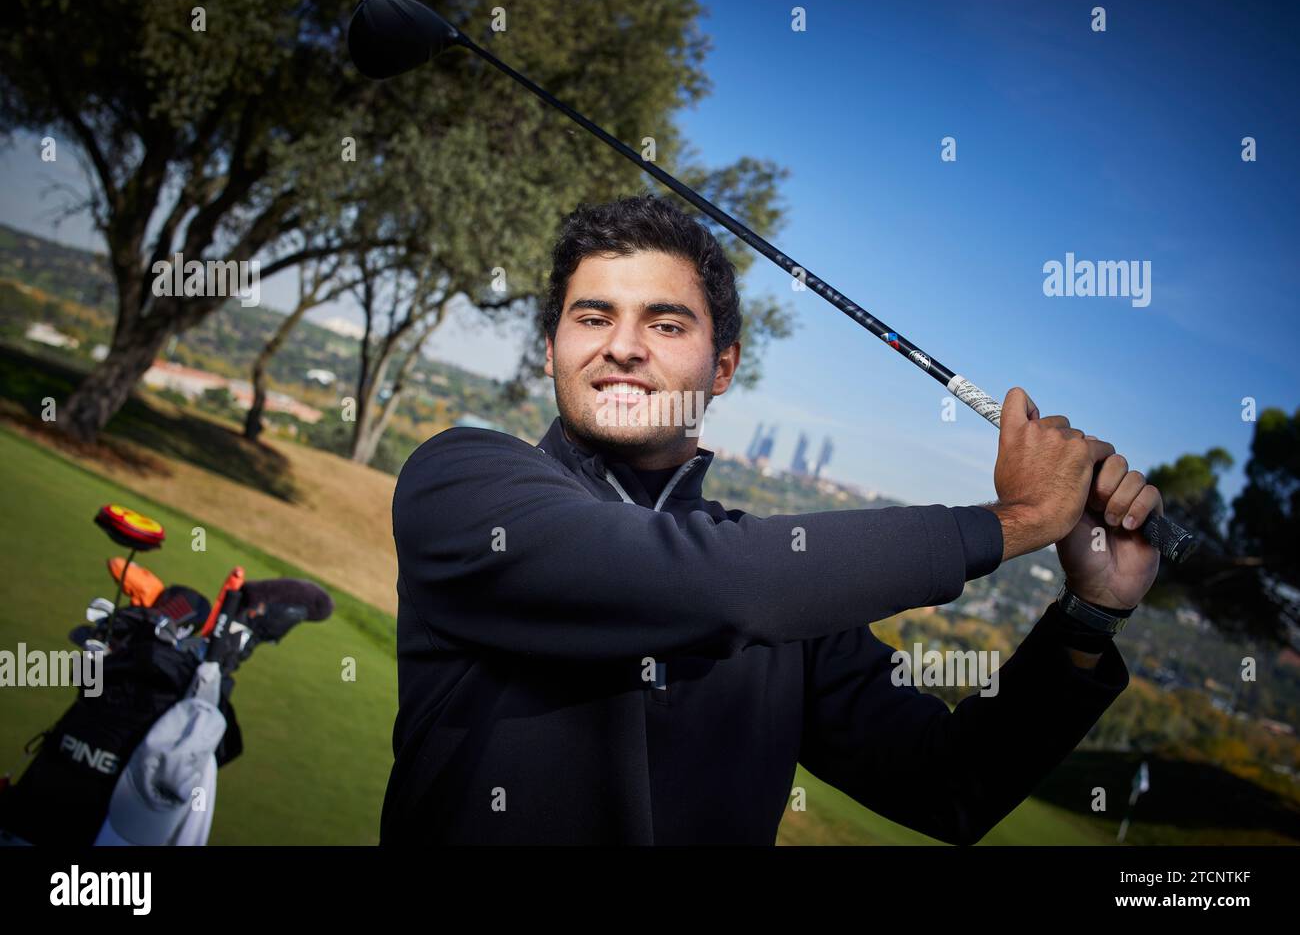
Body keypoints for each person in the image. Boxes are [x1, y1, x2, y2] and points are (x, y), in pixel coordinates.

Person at [380, 194, 1164, 845]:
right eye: (591, 318)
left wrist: (1088, 620)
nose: (622, 347)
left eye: (665, 324)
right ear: (551, 348)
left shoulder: (789, 592)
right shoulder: (460, 481)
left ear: (722, 367)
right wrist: (1018, 519)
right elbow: (696, 578)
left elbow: (946, 784)